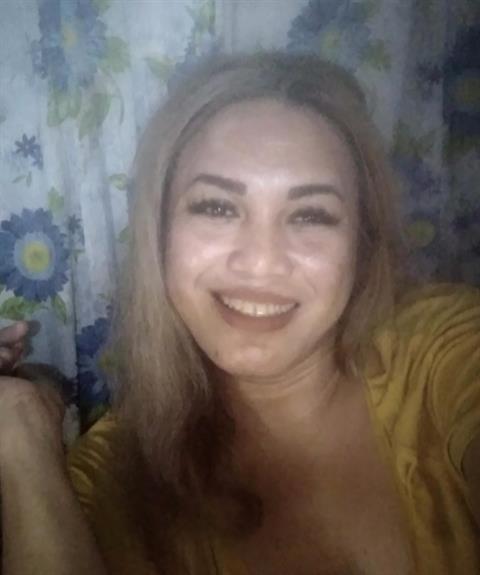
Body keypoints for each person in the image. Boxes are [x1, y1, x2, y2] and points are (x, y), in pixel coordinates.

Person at [0, 52, 479, 575]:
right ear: (159, 235)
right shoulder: (103, 488)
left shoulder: (442, 349)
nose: (261, 262)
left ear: (360, 246)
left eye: (311, 214)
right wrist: (18, 427)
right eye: (217, 207)